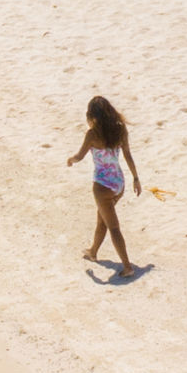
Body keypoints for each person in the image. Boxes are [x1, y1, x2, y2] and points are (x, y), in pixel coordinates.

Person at [64, 95, 142, 274]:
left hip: (102, 186)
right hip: (118, 184)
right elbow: (128, 155)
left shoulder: (93, 134)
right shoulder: (120, 130)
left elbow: (80, 156)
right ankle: (93, 251)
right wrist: (136, 178)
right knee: (103, 219)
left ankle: (127, 267)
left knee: (113, 226)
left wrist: (71, 160)